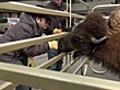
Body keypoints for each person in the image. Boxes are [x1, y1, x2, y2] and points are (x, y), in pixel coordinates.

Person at [0, 12, 59, 90]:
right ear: (38, 19)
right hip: (7, 55)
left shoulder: (33, 25)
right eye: (46, 22)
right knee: (23, 78)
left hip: (17, 53)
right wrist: (48, 45)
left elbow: (46, 29)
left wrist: (53, 31)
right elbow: (29, 50)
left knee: (27, 78)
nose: (47, 24)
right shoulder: (24, 27)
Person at [45, 0, 66, 71]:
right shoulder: (48, 7)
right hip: (52, 38)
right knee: (52, 62)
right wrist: (52, 30)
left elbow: (70, 22)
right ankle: (50, 81)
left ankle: (58, 79)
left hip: (62, 37)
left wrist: (68, 17)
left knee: (60, 61)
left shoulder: (66, 7)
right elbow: (44, 25)